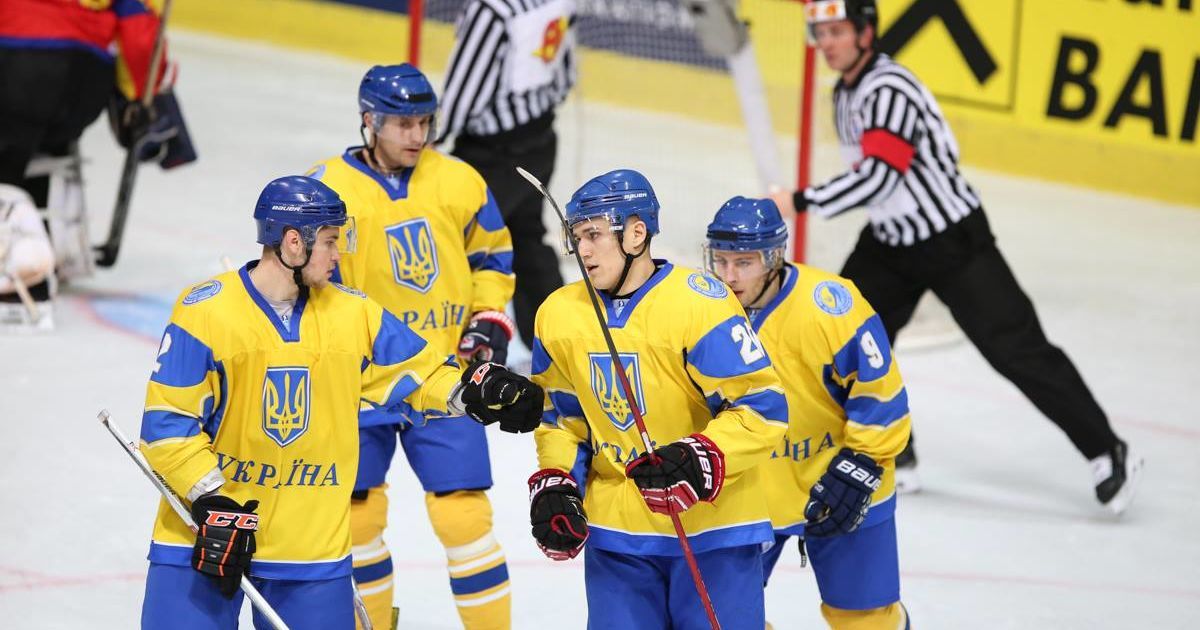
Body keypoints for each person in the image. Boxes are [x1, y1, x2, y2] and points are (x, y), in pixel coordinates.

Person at [770, 0, 1142, 513]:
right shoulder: (847, 91)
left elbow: (881, 176)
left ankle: (1106, 448)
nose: (827, 43)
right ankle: (895, 453)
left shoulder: (889, 88)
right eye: (821, 33)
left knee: (1016, 348)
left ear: (865, 32)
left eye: (837, 31)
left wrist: (799, 200)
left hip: (951, 241)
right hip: (890, 242)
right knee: (846, 341)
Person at [137, 175, 541, 629]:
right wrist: (210, 499)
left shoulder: (353, 313)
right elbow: (167, 423)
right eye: (330, 241)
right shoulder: (205, 310)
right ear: (294, 242)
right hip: (204, 535)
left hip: (309, 546)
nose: (339, 254)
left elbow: (421, 375)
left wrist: (478, 391)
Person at [527, 169, 788, 628]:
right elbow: (562, 419)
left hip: (714, 529)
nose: (582, 250)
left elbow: (761, 407)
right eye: (576, 237)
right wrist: (558, 481)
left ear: (636, 233)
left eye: (593, 234)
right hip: (617, 533)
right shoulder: (557, 314)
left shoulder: (701, 303)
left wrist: (700, 457)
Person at [308, 63, 518, 630]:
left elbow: (493, 257)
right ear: (370, 120)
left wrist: (489, 318)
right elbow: (307, 277)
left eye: (425, 122)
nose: (418, 135)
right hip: (362, 380)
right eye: (404, 124)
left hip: (444, 374)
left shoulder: (460, 180)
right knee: (356, 518)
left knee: (464, 517)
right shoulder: (326, 187)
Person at [706, 196, 910, 629]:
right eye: (720, 260)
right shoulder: (701, 310)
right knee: (719, 621)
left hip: (837, 473)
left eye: (744, 262)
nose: (729, 276)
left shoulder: (831, 306)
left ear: (774, 257)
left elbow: (880, 390)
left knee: (867, 620)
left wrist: (862, 462)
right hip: (748, 491)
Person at [436, 0, 576, 350]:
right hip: (540, 141)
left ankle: (454, 346)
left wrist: (424, 140)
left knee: (451, 244)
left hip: (492, 155)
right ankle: (562, 346)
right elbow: (564, 76)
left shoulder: (491, 9)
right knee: (526, 239)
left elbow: (463, 93)